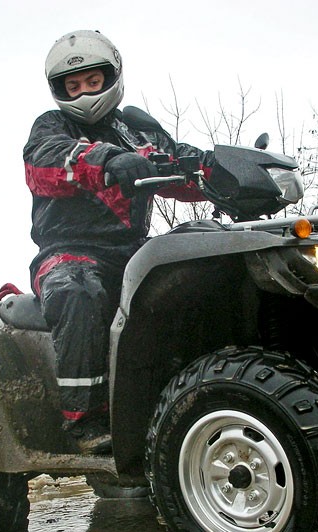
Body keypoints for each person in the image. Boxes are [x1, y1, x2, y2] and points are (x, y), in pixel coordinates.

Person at [23, 30, 214, 454]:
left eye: (92, 81)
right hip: (68, 252)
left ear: (111, 77)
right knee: (78, 290)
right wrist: (106, 160)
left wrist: (228, 173)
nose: (85, 92)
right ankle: (85, 420)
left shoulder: (135, 130)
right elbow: (47, 160)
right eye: (74, 86)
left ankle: (190, 395)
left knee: (199, 265)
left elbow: (183, 163)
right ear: (60, 90)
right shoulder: (52, 127)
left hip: (132, 253)